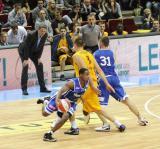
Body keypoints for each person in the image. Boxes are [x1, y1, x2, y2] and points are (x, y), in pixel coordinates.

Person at [65, 37, 126, 135]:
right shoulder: (89, 54)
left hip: (85, 85)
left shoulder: (76, 55)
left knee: (69, 102)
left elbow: (85, 71)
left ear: (75, 45)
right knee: (94, 107)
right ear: (83, 45)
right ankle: (115, 123)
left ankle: (75, 126)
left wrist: (92, 85)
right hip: (91, 83)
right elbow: (100, 70)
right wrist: (107, 84)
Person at [93, 36, 148, 131]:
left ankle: (107, 124)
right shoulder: (112, 53)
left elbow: (95, 68)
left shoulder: (96, 53)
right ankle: (140, 118)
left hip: (104, 80)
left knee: (98, 105)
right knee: (126, 99)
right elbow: (114, 63)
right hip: (114, 78)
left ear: (101, 43)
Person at [37, 68, 90, 142]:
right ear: (81, 75)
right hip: (60, 99)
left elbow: (80, 92)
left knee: (65, 117)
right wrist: (57, 100)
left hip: (71, 103)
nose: (88, 76)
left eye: (89, 74)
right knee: (45, 114)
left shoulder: (87, 82)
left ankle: (49, 134)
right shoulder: (72, 83)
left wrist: (84, 102)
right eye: (87, 74)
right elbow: (60, 91)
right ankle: (45, 101)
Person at [18, 23, 51, 95]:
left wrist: (38, 58)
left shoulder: (45, 35)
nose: (43, 33)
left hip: (33, 51)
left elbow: (41, 46)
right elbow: (26, 47)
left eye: (44, 31)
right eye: (42, 31)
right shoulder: (31, 34)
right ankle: (24, 89)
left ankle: (42, 88)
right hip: (24, 50)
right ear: (38, 30)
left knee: (40, 65)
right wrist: (26, 59)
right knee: (25, 67)